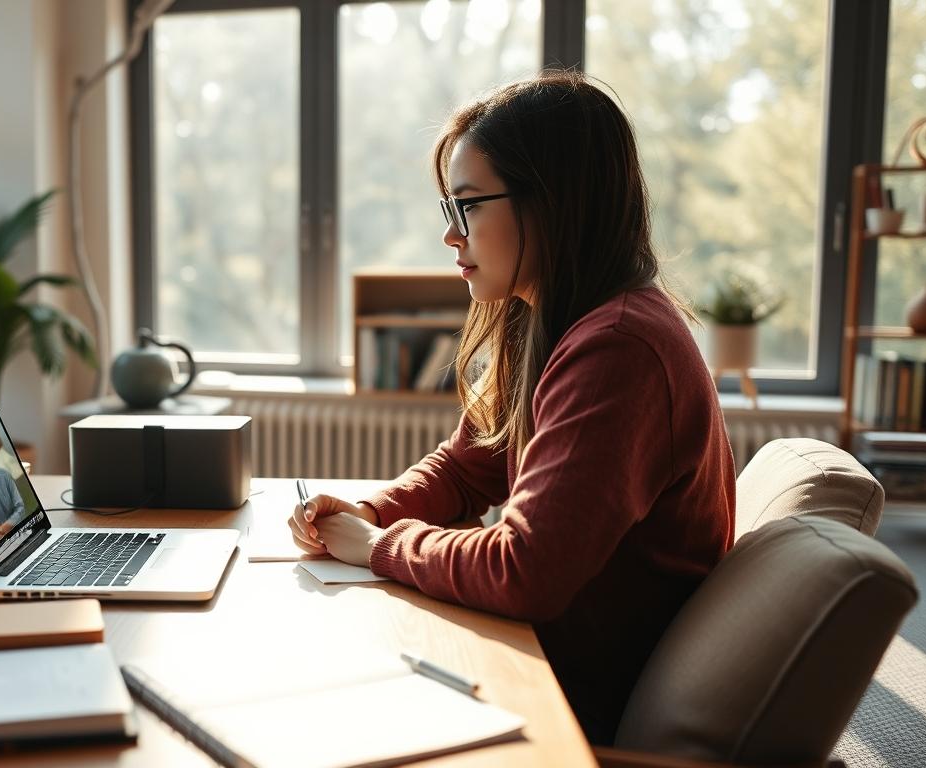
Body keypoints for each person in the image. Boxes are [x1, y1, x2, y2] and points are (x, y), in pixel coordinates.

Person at [289, 71, 734, 744]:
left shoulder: (620, 349)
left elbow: (525, 572)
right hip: (536, 657)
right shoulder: (550, 317)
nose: (452, 236)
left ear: (552, 204)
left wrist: (380, 546)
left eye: (468, 206)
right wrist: (371, 510)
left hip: (567, 706)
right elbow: (471, 468)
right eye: (449, 210)